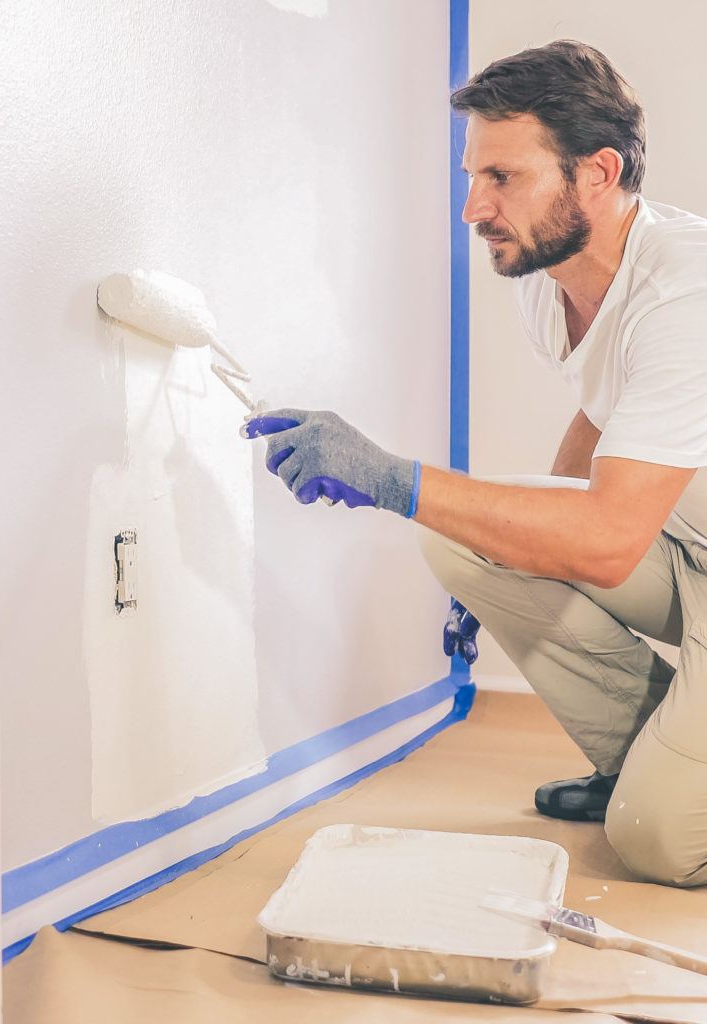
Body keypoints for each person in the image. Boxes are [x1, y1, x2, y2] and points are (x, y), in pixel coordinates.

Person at [243, 40, 707, 888]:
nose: (473, 209)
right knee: (468, 540)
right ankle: (644, 765)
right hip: (691, 548)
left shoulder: (686, 288)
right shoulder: (550, 275)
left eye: (503, 177)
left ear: (596, 174)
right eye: (473, 176)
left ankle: (667, 794)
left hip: (666, 540)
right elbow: (600, 412)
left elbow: (605, 542)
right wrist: (508, 561)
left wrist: (394, 477)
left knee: (660, 844)